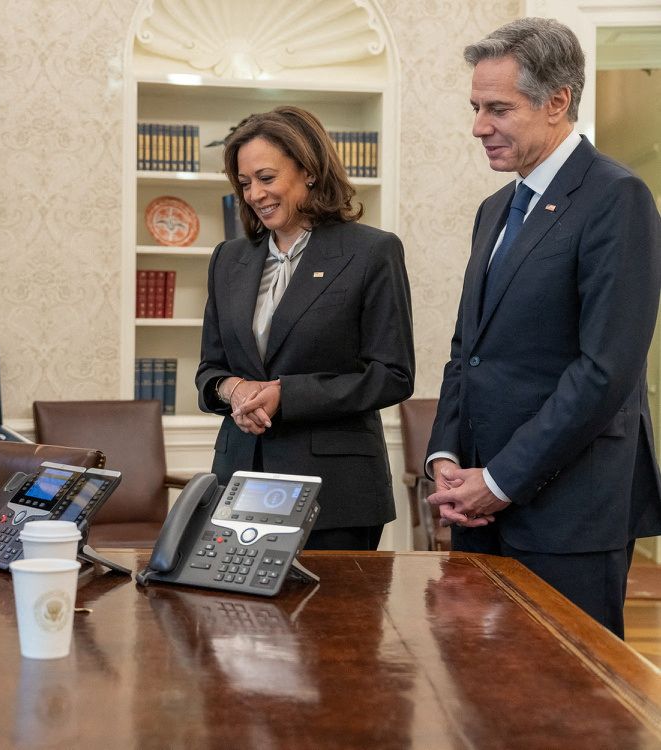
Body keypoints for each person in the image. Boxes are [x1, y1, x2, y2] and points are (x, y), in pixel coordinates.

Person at [426, 18, 661, 637]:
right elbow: (467, 352)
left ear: (558, 102)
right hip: (477, 509)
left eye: (498, 108)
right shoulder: (495, 208)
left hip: (568, 515)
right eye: (476, 107)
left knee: (572, 712)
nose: (479, 126)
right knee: (481, 702)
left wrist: (501, 481)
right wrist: (446, 456)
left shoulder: (618, 197)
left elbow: (604, 370)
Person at [195, 106, 415, 550]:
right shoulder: (229, 259)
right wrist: (233, 390)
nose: (255, 193)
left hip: (335, 493)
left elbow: (393, 376)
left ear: (309, 171)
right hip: (240, 482)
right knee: (238, 619)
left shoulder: (372, 252)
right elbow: (209, 371)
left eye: (266, 177)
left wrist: (286, 395)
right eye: (244, 183)